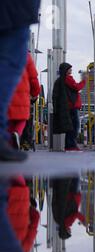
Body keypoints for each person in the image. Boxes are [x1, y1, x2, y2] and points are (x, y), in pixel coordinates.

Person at [0, 0, 41, 162]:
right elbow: (33, 76)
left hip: (12, 100)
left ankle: (8, 137)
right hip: (20, 95)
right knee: (20, 120)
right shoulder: (27, 57)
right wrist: (36, 93)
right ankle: (12, 138)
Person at [7, 53, 41, 150]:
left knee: (9, 120)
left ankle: (10, 145)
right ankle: (17, 133)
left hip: (6, 93)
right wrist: (35, 92)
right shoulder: (25, 55)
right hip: (22, 94)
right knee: (22, 119)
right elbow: (33, 78)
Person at [52, 63, 86, 152]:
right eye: (69, 69)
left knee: (70, 127)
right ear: (66, 70)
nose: (71, 70)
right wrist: (84, 81)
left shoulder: (61, 80)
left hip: (68, 107)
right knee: (75, 126)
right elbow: (76, 87)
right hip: (72, 107)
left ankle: (69, 145)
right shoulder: (67, 79)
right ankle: (71, 146)